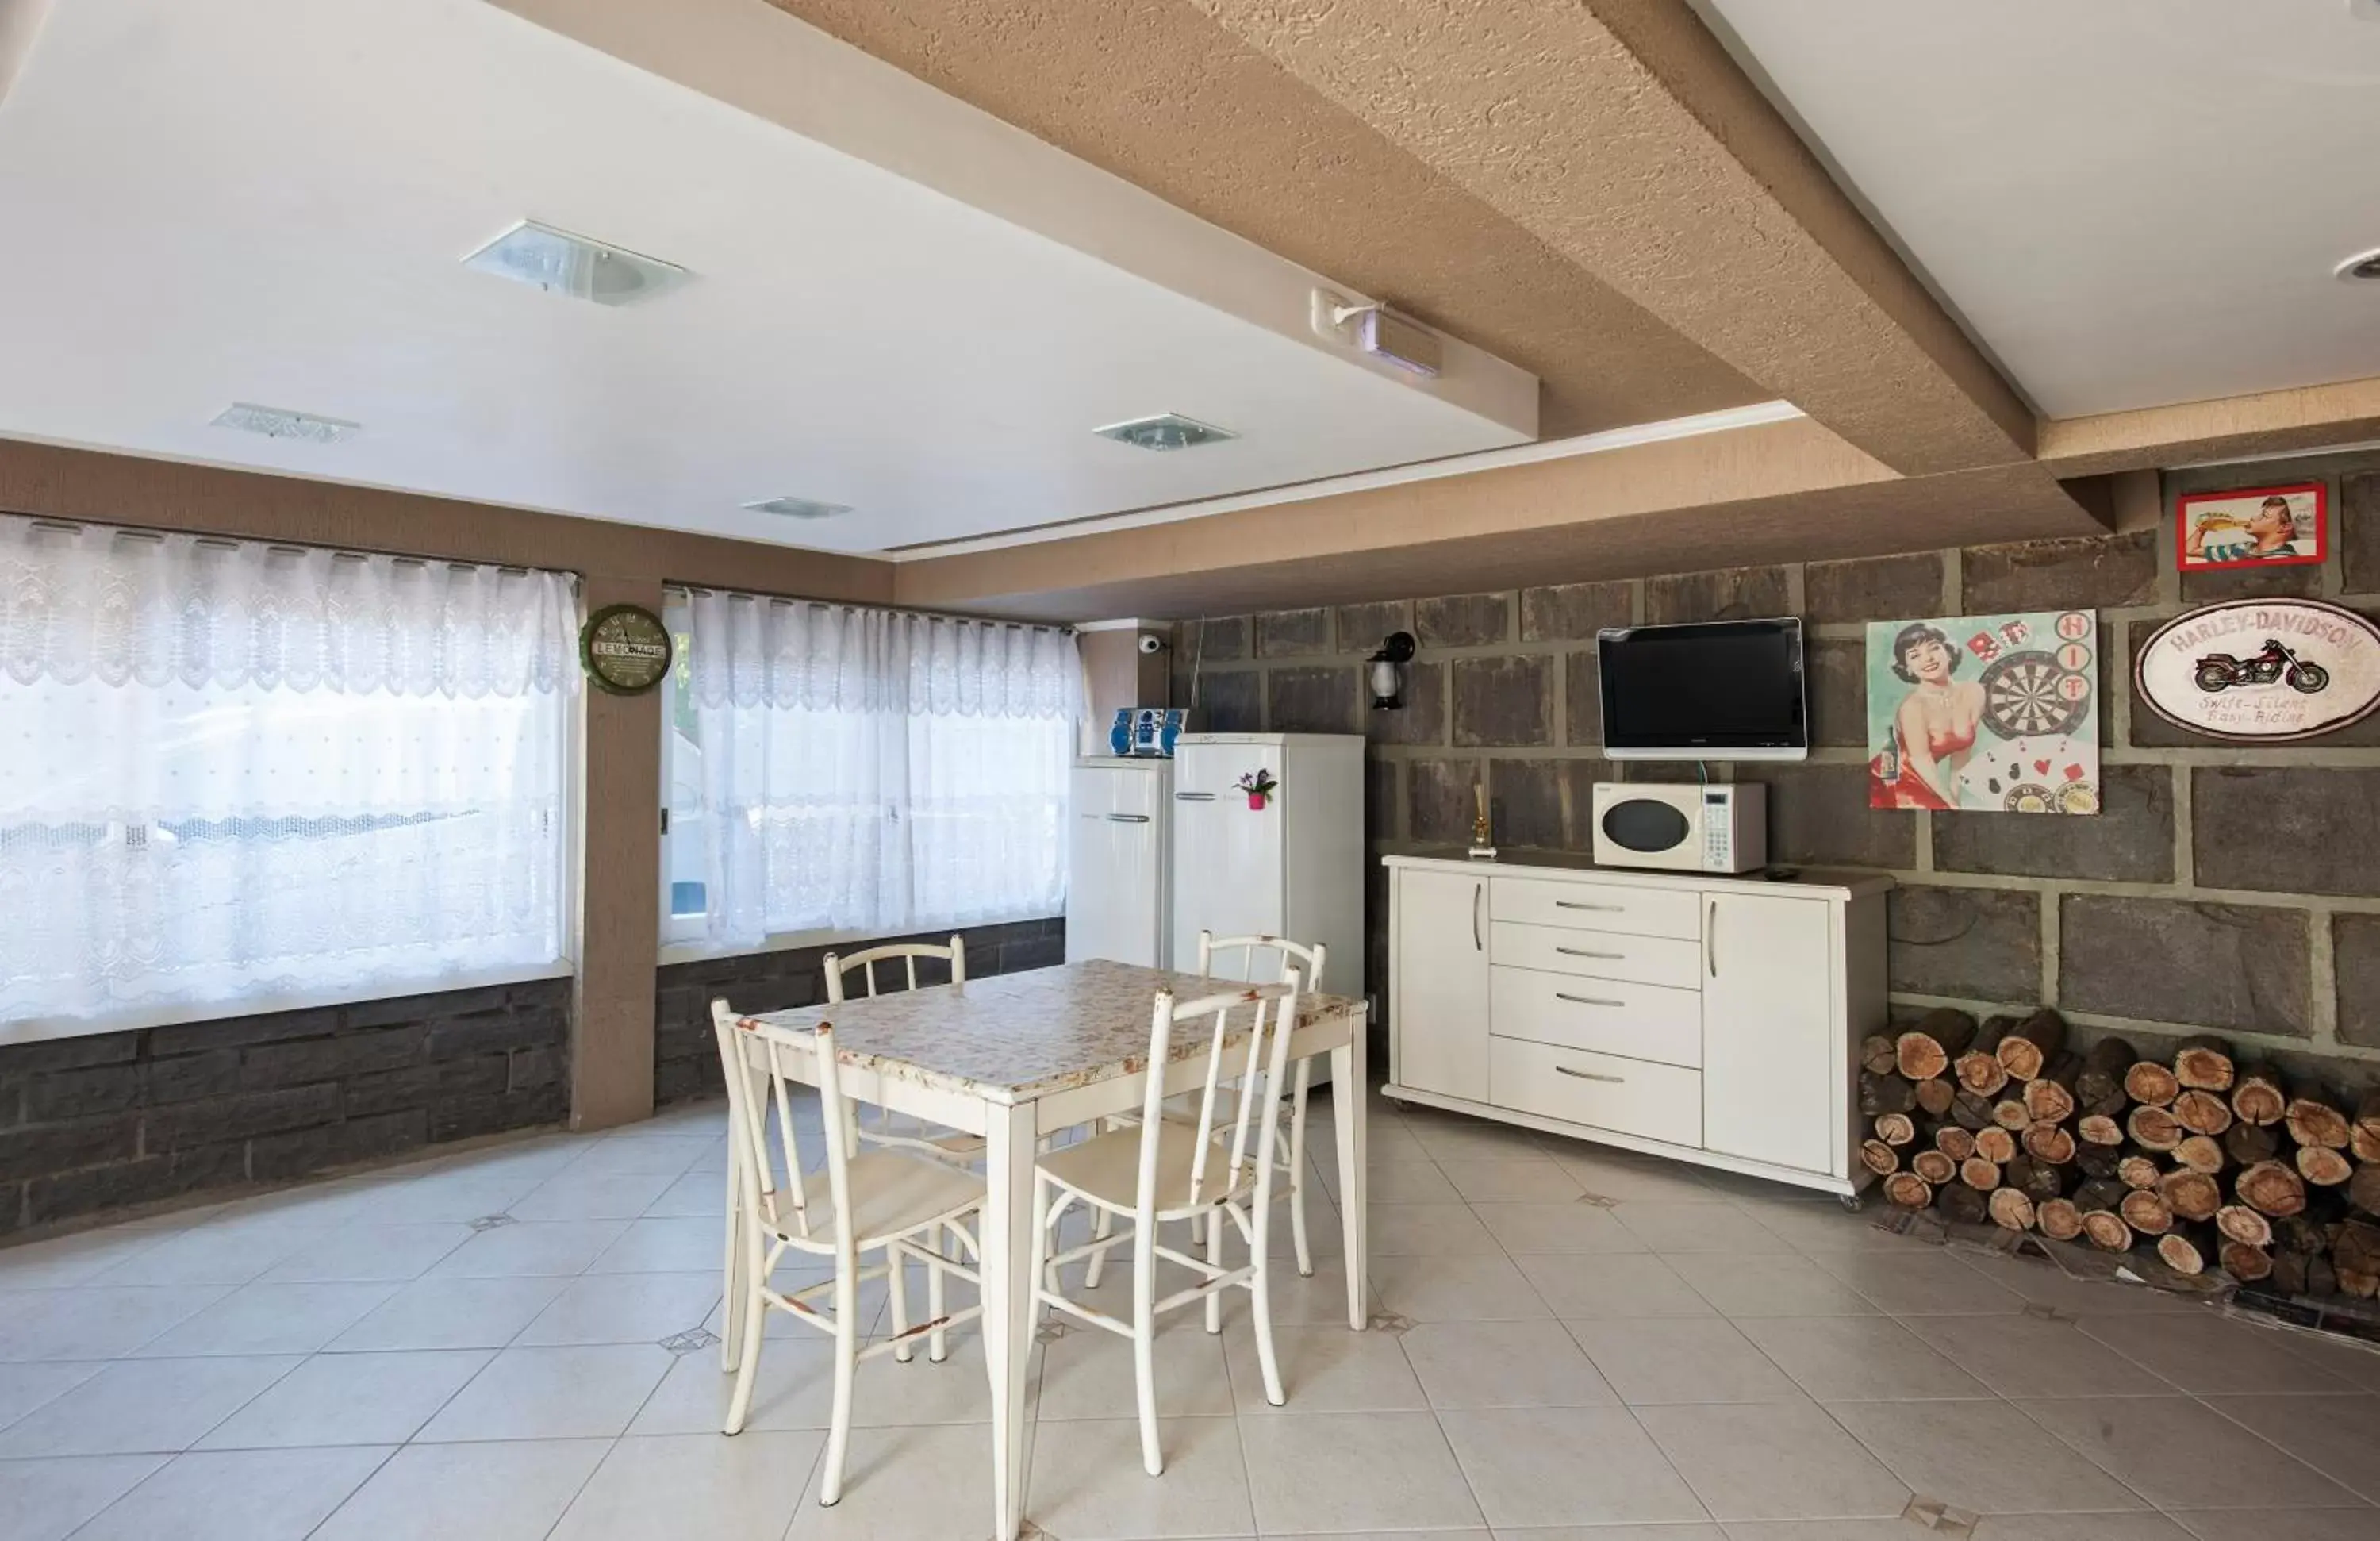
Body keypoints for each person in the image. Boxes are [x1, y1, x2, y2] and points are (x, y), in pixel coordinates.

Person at [1872, 622, 1983, 809]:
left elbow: (1962, 754)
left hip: (1931, 782)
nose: (1928, 659)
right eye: (1915, 656)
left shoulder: (1974, 692)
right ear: (1907, 667)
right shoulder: (1913, 707)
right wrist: (1949, 802)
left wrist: (1956, 799)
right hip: (1896, 779)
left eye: (1934, 648)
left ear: (1948, 651)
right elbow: (1921, 761)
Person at [2188, 494, 2301, 563]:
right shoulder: (2242, 549)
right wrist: (2203, 527)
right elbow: (2190, 550)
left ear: (2285, 527)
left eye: (2264, 516)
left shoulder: (2285, 559)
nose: (2254, 517)